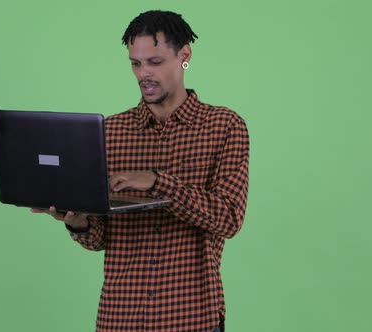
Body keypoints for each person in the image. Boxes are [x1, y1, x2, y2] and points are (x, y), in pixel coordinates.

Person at [31, 10, 249, 332]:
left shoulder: (224, 126)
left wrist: (158, 183)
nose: (143, 73)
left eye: (155, 62)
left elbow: (228, 218)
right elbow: (101, 238)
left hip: (191, 319)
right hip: (120, 319)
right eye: (136, 63)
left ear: (184, 56)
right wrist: (78, 223)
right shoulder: (110, 132)